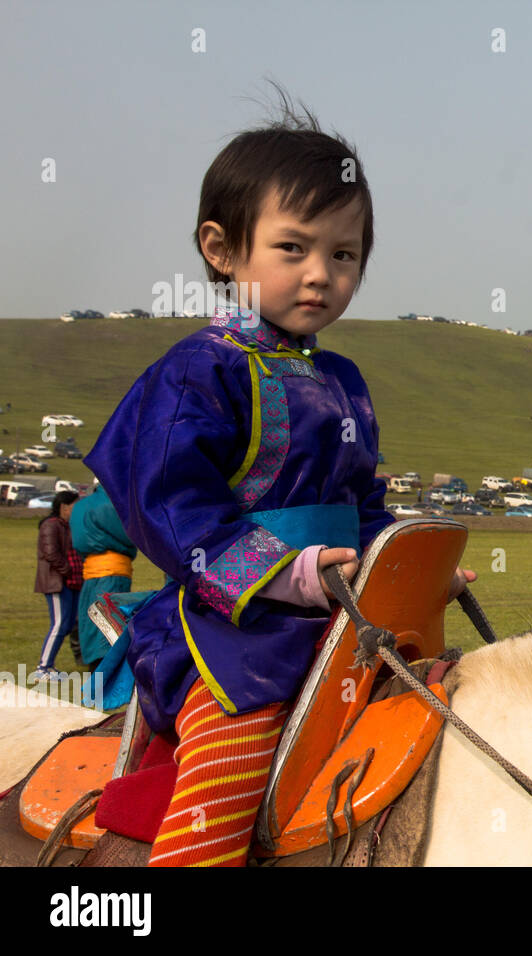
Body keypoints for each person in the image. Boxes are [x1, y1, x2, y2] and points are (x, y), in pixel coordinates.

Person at [83, 95, 475, 868]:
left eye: (345, 254)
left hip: (340, 627)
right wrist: (287, 571)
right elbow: (172, 508)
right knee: (235, 761)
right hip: (231, 635)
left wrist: (409, 570)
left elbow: (362, 506)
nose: (321, 275)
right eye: (293, 248)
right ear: (222, 249)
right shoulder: (199, 371)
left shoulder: (343, 378)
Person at [69, 485, 137, 672]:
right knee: (109, 619)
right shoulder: (114, 503)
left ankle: (92, 662)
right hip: (113, 570)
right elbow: (129, 534)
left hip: (90, 571)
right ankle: (105, 668)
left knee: (89, 618)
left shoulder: (81, 506)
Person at [33, 490, 83, 680]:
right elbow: (50, 553)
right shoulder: (51, 525)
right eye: (74, 507)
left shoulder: (65, 525)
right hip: (56, 582)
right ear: (64, 507)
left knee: (67, 624)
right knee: (59, 624)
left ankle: (49, 666)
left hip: (68, 582)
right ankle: (42, 667)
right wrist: (68, 570)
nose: (76, 511)